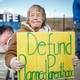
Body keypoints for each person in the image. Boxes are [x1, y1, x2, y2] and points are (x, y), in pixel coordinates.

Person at [5, 4, 51, 79]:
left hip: (46, 74)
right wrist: (13, 62)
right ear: (28, 19)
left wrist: (69, 60)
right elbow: (9, 54)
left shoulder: (51, 35)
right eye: (32, 15)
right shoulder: (19, 34)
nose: (35, 18)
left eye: (38, 15)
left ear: (43, 18)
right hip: (25, 73)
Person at [72, 0, 80, 65]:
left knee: (78, 38)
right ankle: (77, 56)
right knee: (79, 38)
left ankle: (77, 56)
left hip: (77, 21)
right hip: (78, 21)